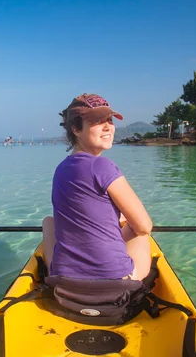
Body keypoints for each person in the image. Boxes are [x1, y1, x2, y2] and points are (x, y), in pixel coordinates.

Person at [42, 93, 152, 281]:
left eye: (109, 120)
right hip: (115, 287)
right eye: (97, 121)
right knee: (140, 230)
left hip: (64, 284)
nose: (108, 126)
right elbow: (144, 226)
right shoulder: (103, 166)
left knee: (48, 222)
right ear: (76, 128)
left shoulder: (61, 169)